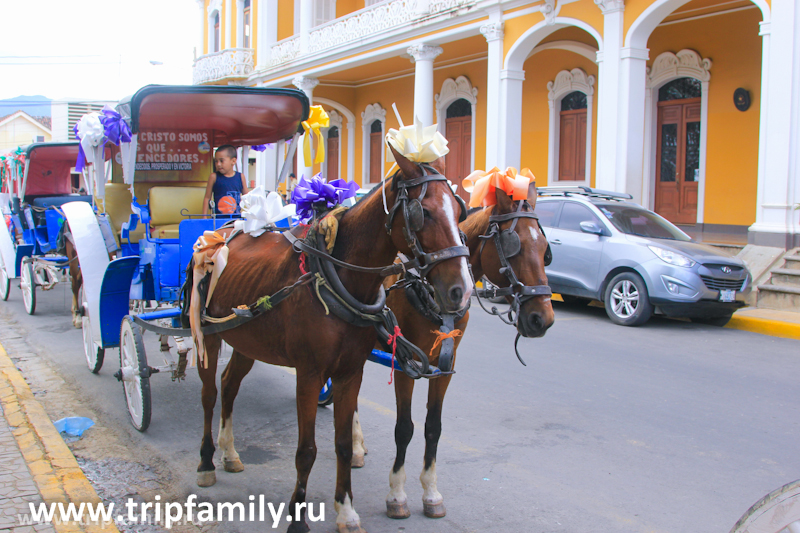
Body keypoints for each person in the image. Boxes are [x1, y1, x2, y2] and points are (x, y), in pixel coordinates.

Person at [203, 145, 249, 216]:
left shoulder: (241, 177)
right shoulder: (213, 177)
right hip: (218, 220)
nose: (218, 164)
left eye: (221, 161)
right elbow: (207, 198)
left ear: (233, 161)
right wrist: (204, 218)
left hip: (236, 220)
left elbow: (247, 198)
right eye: (216, 161)